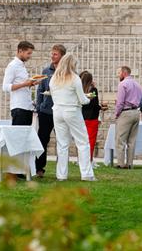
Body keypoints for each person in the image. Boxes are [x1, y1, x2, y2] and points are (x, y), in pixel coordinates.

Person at [49, 54, 96, 182]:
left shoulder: (54, 78)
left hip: (57, 111)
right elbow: (82, 100)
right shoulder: (75, 78)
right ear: (72, 65)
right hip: (72, 111)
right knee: (82, 142)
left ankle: (61, 175)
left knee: (62, 144)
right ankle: (86, 174)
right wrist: (88, 99)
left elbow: (53, 95)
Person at [35, 44, 65, 177]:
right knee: (42, 140)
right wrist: (39, 107)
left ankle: (62, 169)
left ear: (62, 56)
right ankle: (39, 168)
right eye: (52, 54)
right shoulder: (46, 71)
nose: (52, 56)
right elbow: (40, 90)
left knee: (62, 141)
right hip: (46, 111)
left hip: (62, 111)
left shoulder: (68, 72)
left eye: (55, 54)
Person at [2, 41, 38, 126]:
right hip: (19, 108)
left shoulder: (22, 66)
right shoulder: (12, 66)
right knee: (17, 137)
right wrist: (25, 84)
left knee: (24, 137)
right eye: (28, 53)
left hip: (27, 107)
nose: (29, 56)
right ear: (20, 51)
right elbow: (5, 87)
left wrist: (31, 83)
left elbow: (23, 84)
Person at [114, 66, 142, 169]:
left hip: (125, 112)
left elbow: (120, 102)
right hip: (136, 112)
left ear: (123, 73)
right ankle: (130, 163)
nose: (118, 75)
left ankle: (121, 164)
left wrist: (117, 114)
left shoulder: (123, 84)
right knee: (132, 140)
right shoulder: (137, 84)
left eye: (118, 73)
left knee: (120, 139)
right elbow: (141, 98)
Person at [80, 71, 106, 160]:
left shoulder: (79, 90)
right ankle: (88, 159)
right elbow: (94, 104)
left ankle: (81, 159)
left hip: (81, 117)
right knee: (91, 140)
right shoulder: (93, 90)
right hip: (92, 118)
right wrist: (101, 108)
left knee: (82, 140)